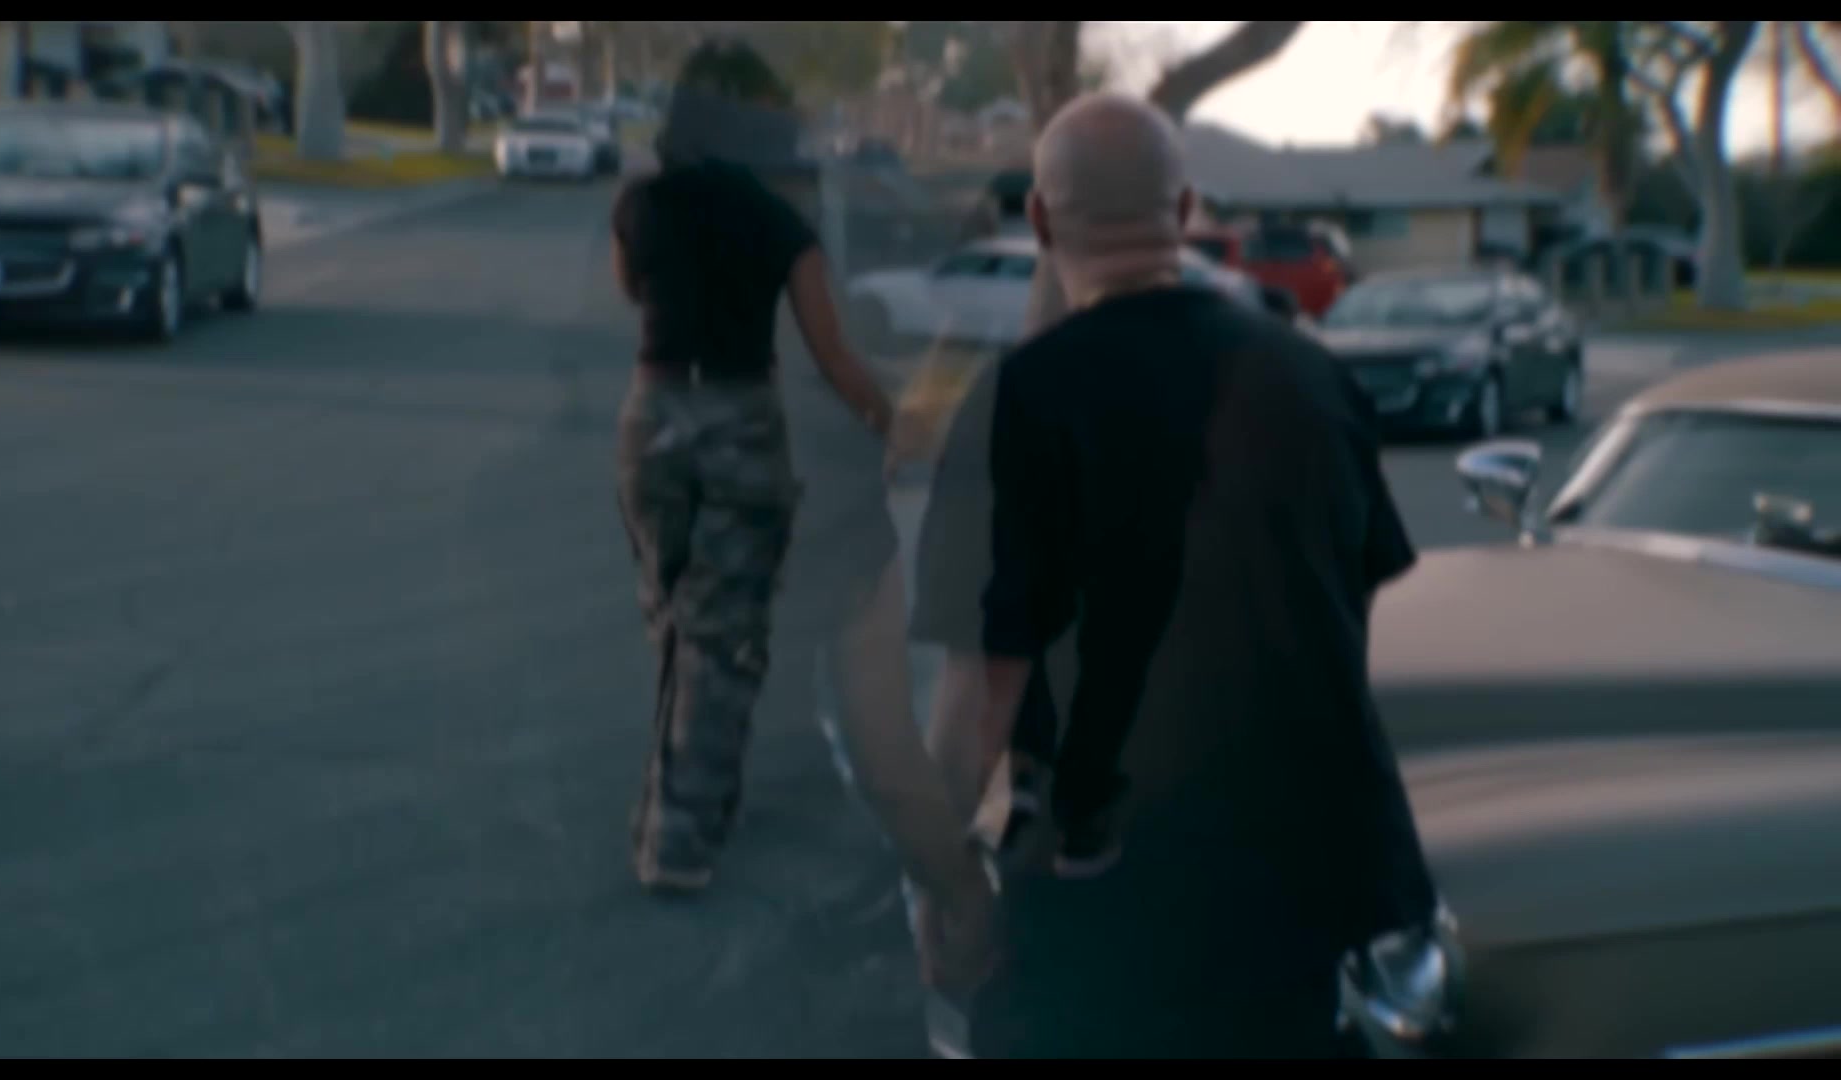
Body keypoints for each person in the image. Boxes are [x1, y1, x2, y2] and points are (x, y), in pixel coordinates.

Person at [910, 93, 1439, 1059]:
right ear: (1187, 211)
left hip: (1106, 906)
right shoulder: (1313, 380)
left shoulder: (1019, 403)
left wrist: (940, 884)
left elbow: (984, 694)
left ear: (1038, 220)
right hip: (1302, 900)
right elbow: (1344, 616)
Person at [611, 41, 991, 952]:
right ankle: (679, 840)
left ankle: (690, 798)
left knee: (676, 616)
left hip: (650, 418)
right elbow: (832, 353)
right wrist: (888, 420)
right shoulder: (781, 222)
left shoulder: (641, 205)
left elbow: (635, 293)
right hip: (739, 422)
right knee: (723, 638)